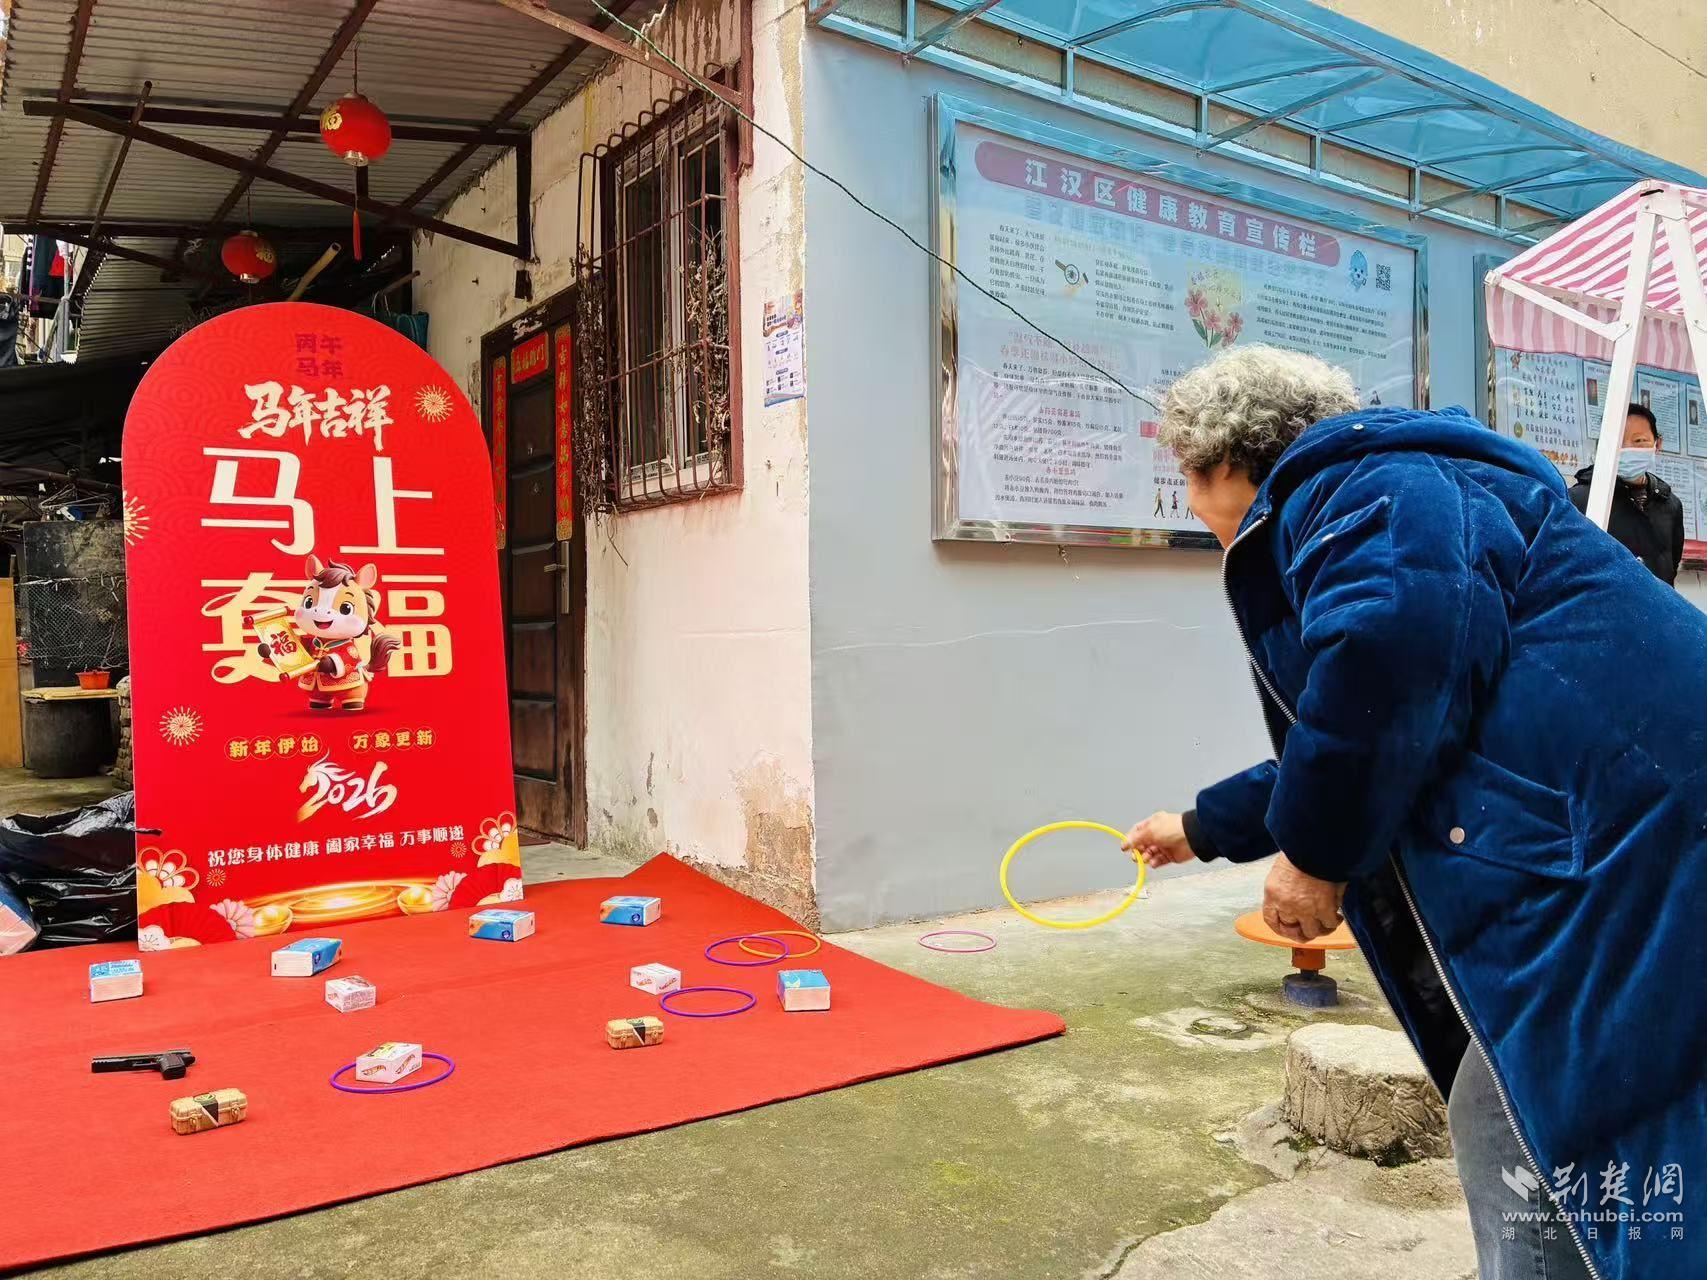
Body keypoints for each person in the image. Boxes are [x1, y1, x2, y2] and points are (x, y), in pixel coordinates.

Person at [1122, 346, 1703, 1280]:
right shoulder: (1405, 487)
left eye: (1185, 478)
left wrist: (1315, 858)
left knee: (1527, 1122)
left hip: (1625, 845)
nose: (1190, 506)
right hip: (1635, 831)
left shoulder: (1367, 489)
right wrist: (1196, 829)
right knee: (1563, 1119)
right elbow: (1368, 727)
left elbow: (1387, 667)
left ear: (1223, 461)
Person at [1568, 403, 1684, 584]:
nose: (1628, 448)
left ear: (1657, 443)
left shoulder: (1670, 504)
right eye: (1618, 442)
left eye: (1639, 440)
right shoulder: (1578, 500)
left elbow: (1671, 566)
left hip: (1657, 601)